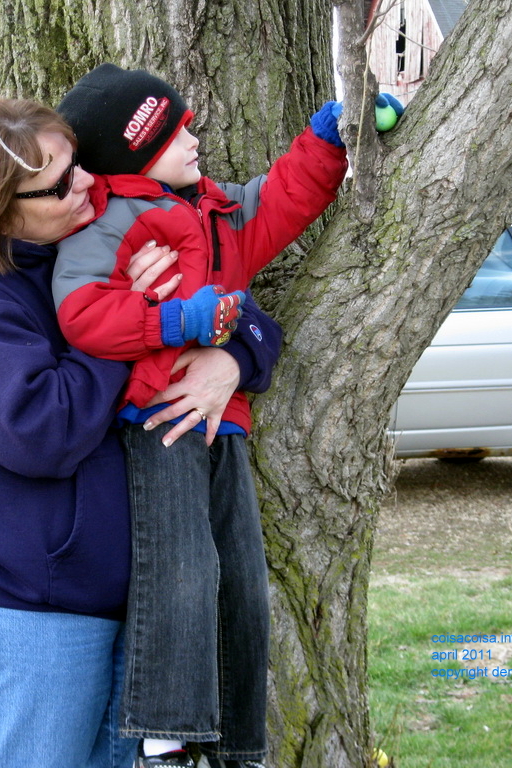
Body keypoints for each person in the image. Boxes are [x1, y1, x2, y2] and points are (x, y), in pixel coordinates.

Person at [0, 97, 284, 768]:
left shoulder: (83, 241)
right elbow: (44, 429)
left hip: (132, 601)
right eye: (58, 183)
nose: (87, 185)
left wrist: (232, 360)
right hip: (34, 610)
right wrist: (124, 323)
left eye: (79, 165)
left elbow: (237, 307)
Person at [50, 64, 357, 768]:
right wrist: (175, 317)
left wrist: (327, 141)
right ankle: (166, 737)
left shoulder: (219, 213)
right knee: (180, 571)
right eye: (173, 131)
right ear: (133, 152)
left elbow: (284, 199)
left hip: (228, 424)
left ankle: (240, 743)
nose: (194, 135)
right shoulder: (110, 219)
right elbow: (83, 314)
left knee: (243, 581)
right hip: (158, 422)